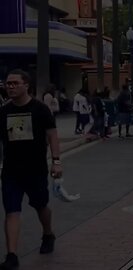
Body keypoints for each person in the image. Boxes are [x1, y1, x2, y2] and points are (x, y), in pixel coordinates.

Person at [0, 69, 61, 269]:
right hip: (11, 171)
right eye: (8, 84)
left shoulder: (40, 109)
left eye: (15, 83)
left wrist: (56, 161)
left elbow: (52, 135)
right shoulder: (4, 111)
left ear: (27, 85)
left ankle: (48, 234)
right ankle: (11, 255)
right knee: (11, 211)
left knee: (40, 206)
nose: (10, 87)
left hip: (35, 169)